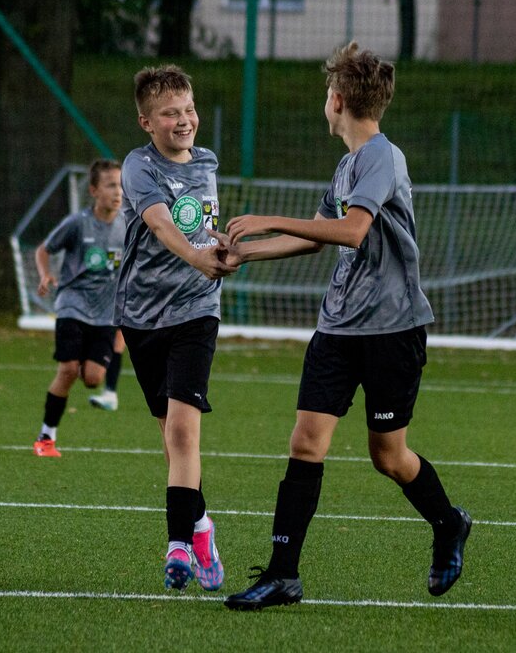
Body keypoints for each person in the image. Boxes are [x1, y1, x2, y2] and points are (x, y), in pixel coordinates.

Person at [220, 42, 471, 610]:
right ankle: (283, 575)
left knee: (389, 456)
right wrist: (245, 252)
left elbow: (352, 231)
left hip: (392, 329)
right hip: (337, 327)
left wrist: (266, 218)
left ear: (336, 100)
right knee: (306, 441)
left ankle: (448, 521)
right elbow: (317, 234)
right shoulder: (347, 164)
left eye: (326, 93)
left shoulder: (382, 156)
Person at [116, 64, 238, 592]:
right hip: (142, 315)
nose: (184, 120)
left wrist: (222, 250)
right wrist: (197, 255)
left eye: (189, 109)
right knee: (170, 437)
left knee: (185, 431)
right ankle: (202, 525)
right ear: (147, 122)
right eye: (170, 113)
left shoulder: (207, 161)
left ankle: (179, 546)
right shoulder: (137, 166)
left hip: (196, 310)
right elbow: (161, 222)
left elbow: (203, 226)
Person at [32, 159, 127, 457]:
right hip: (72, 304)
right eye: (111, 185)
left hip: (105, 313)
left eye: (121, 185)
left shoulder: (128, 225)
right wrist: (45, 274)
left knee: (93, 379)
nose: (118, 192)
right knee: (69, 370)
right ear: (94, 191)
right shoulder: (77, 223)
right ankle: (46, 437)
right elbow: (44, 249)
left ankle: (91, 369)